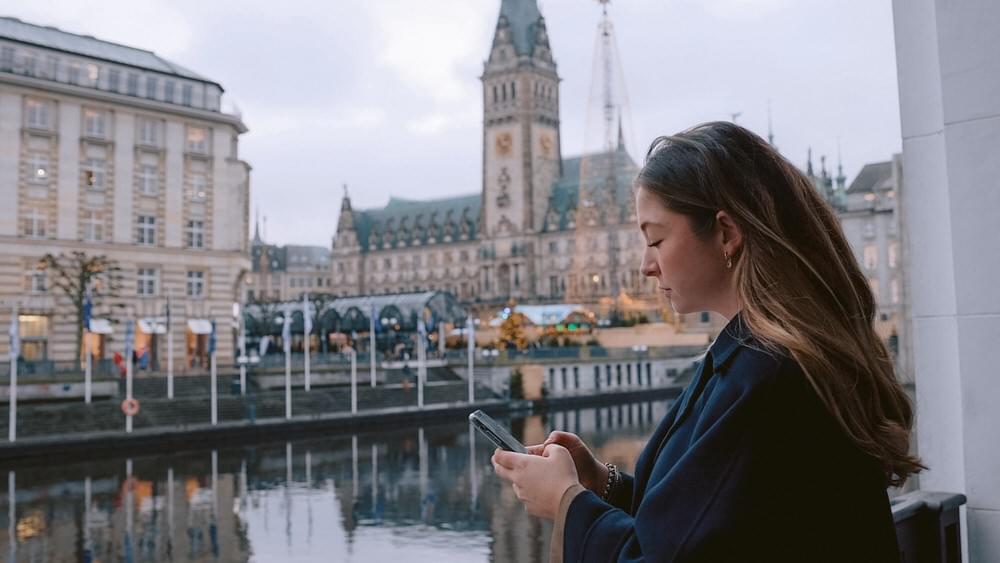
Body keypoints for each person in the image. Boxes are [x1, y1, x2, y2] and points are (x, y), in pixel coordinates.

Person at [492, 122, 922, 562]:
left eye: (656, 239)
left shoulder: (764, 380)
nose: (646, 266)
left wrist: (566, 501)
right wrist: (602, 484)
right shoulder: (766, 357)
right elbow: (706, 522)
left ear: (725, 233)